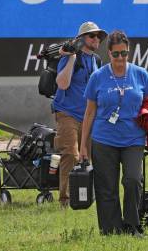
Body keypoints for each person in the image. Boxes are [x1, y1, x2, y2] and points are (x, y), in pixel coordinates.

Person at [80, 30, 148, 237]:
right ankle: (111, 230)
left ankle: (132, 225)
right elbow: (89, 113)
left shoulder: (141, 74)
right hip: (104, 139)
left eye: (124, 53)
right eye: (116, 54)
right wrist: (83, 146)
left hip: (133, 139)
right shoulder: (98, 77)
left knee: (133, 180)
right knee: (106, 188)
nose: (120, 59)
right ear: (109, 53)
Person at [53, 21, 106, 207]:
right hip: (67, 113)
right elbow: (62, 84)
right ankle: (66, 201)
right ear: (81, 39)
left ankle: (85, 198)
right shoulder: (68, 57)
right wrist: (72, 58)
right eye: (92, 36)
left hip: (89, 116)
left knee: (88, 158)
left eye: (98, 36)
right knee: (71, 155)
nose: (96, 39)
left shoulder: (97, 61)